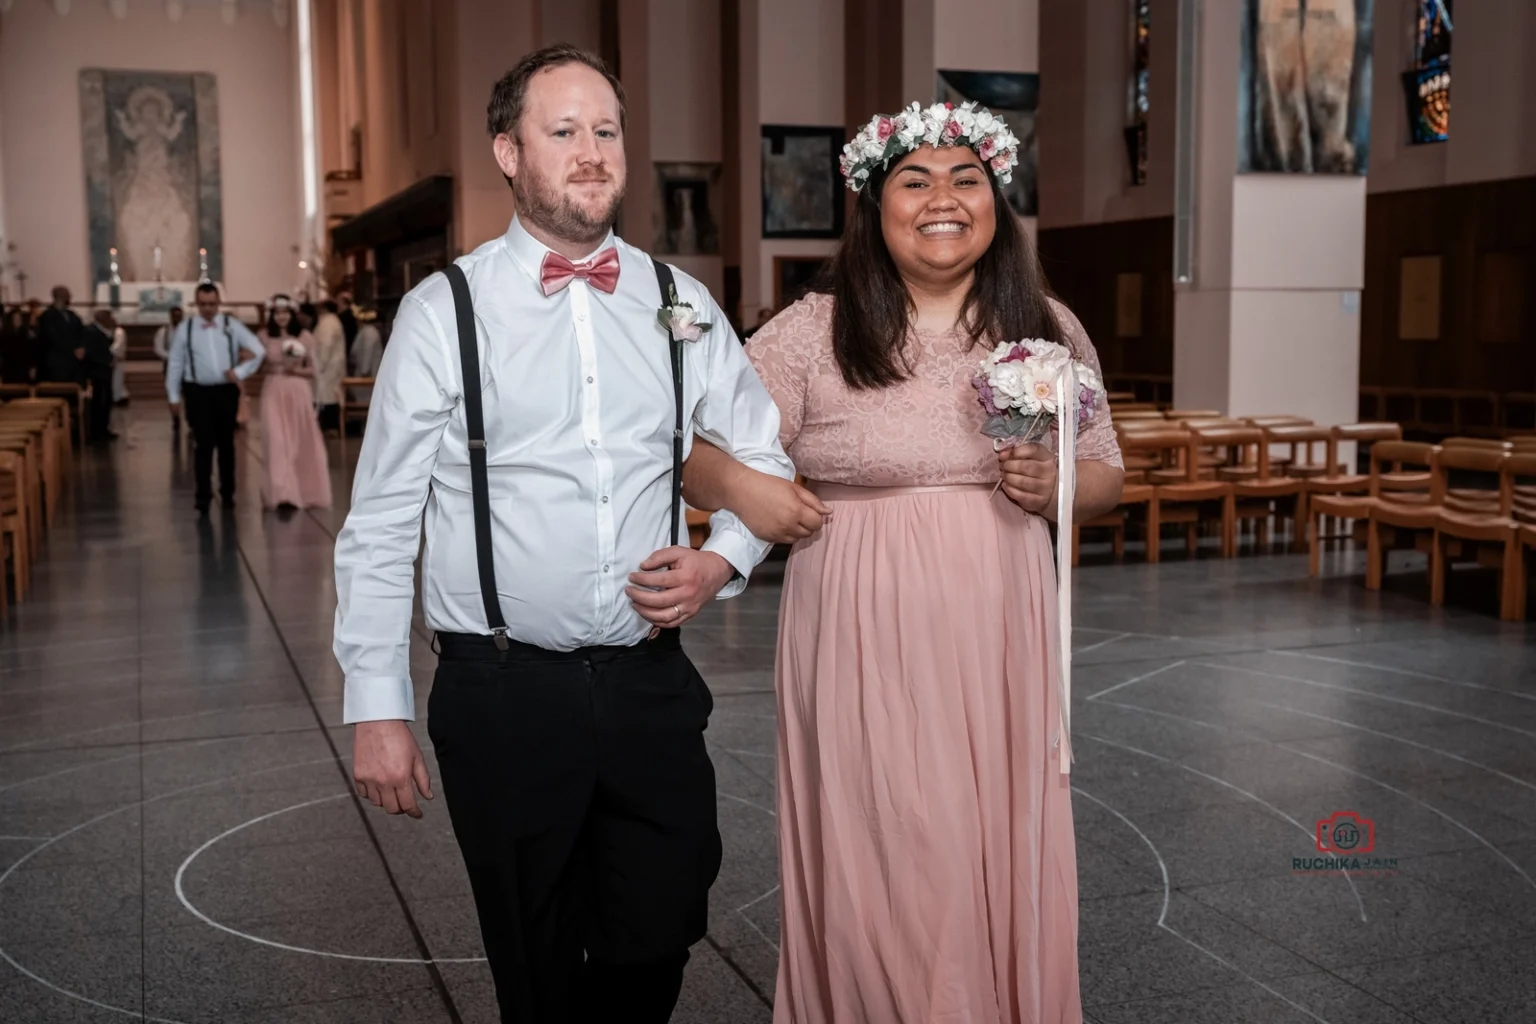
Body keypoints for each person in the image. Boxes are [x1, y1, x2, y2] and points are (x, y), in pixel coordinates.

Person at [332, 44, 793, 1023]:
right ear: (507, 150)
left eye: (607, 130)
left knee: (659, 932)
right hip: (504, 694)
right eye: (564, 130)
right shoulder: (442, 310)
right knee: (537, 968)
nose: (592, 151)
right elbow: (378, 525)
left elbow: (763, 453)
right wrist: (376, 702)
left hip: (648, 684)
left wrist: (724, 559)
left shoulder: (678, 301)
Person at [685, 102, 1126, 1023]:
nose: (943, 199)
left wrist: (1057, 485)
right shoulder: (814, 329)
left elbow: (1106, 475)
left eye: (967, 179)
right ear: (874, 204)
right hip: (857, 615)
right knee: (892, 831)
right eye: (914, 180)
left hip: (1001, 610)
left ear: (997, 200)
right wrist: (748, 489)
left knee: (983, 830)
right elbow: (692, 450)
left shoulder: (1047, 327)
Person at [166, 283, 265, 514]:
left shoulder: (231, 325)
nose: (208, 309)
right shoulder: (186, 328)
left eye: (212, 304)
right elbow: (176, 362)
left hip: (225, 391)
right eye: (203, 304)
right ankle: (202, 495)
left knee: (226, 445)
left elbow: (259, 351)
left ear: (218, 303)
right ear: (196, 303)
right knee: (202, 445)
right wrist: (173, 396)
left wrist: (239, 373)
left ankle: (228, 493)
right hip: (197, 392)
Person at [257, 295, 331, 510]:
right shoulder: (263, 337)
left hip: (297, 391)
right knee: (277, 441)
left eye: (285, 312)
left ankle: (305, 491)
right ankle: (282, 493)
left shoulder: (305, 337)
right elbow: (258, 366)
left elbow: (314, 370)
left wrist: (295, 370)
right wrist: (270, 368)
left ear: (292, 314)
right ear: (272, 315)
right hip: (274, 389)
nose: (281, 316)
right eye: (277, 312)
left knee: (300, 440)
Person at [82, 310, 120, 442]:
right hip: (97, 372)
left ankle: (104, 428)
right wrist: (107, 361)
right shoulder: (91, 331)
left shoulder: (101, 331)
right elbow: (91, 352)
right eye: (109, 316)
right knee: (99, 401)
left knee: (106, 401)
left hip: (104, 371)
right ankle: (97, 431)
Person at [35, 286, 85, 384]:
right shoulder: (48, 316)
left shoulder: (72, 315)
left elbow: (81, 332)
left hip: (73, 364)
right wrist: (72, 350)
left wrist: (81, 347)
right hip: (57, 364)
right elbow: (52, 338)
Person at [310, 299, 346, 432]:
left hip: (327, 367)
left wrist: (320, 364)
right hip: (329, 366)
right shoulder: (329, 321)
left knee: (326, 396)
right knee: (327, 394)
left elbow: (326, 344)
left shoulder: (328, 323)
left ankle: (328, 426)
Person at [153, 306, 186, 431]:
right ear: (171, 316)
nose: (178, 318)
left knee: (189, 393)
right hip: (171, 365)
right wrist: (172, 357)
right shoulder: (163, 331)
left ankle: (190, 418)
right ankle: (175, 417)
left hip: (187, 366)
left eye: (180, 316)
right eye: (175, 316)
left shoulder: (188, 330)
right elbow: (158, 348)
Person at [0, 306, 35, 384]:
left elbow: (30, 352)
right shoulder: (5, 337)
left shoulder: (25, 334)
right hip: (11, 372)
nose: (18, 321)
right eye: (16, 318)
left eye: (19, 318)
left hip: (24, 372)